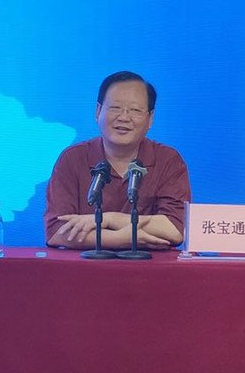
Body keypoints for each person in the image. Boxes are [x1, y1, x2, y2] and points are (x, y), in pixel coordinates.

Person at [44, 71, 191, 250]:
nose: (124, 117)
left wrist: (110, 219)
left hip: (149, 266)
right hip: (86, 265)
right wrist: (119, 239)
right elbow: (57, 231)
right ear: (98, 111)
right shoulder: (73, 158)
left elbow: (175, 229)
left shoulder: (168, 160)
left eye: (135, 110)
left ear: (150, 119)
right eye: (115, 108)